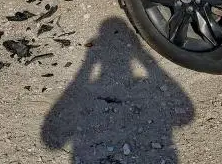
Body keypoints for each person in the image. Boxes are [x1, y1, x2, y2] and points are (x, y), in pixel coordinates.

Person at [42, 17, 194, 163]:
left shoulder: (96, 88)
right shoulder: (143, 85)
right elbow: (187, 115)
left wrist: (88, 63)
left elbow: (51, 141)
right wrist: (142, 54)